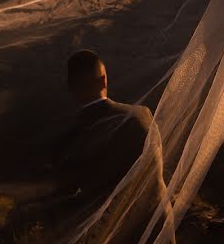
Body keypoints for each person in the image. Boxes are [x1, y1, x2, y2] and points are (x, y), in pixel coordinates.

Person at [53, 49, 173, 244]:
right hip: (157, 227)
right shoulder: (142, 114)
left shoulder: (71, 136)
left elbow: (69, 196)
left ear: (70, 88)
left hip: (114, 235)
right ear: (104, 80)